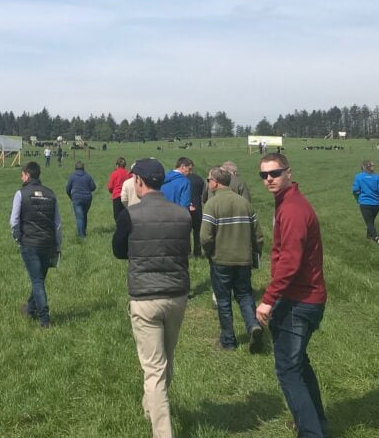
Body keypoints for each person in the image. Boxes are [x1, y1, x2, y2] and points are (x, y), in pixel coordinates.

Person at [111, 158, 190, 438]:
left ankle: (162, 432)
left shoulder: (128, 215)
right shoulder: (183, 215)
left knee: (154, 369)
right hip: (177, 295)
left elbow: (119, 251)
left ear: (139, 182)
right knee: (166, 360)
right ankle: (151, 407)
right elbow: (185, 251)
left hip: (145, 297)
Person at [255, 153, 328, 438]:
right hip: (303, 296)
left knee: (288, 370)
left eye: (274, 173)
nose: (269, 179)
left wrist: (268, 299)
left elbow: (290, 261)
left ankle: (311, 432)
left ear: (288, 171)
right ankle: (317, 424)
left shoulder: (293, 209)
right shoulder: (286, 203)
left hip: (300, 300)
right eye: (264, 175)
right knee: (298, 365)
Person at [201, 167, 264, 353]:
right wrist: (255, 255)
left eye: (208, 180)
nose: (208, 183)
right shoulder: (245, 203)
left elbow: (205, 237)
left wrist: (209, 252)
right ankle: (253, 325)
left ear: (215, 182)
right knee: (245, 295)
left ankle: (228, 340)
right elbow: (258, 236)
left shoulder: (212, 204)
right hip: (243, 260)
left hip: (221, 260)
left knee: (223, 300)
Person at [10, 161, 61, 328]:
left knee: (37, 280)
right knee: (39, 278)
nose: (21, 177)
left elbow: (14, 220)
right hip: (48, 243)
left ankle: (44, 318)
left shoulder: (21, 193)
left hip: (29, 243)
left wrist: (17, 237)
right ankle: (30, 309)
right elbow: (57, 223)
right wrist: (58, 244)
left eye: (22, 174)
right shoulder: (51, 194)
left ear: (27, 175)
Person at [352, 161, 379, 245]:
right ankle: (369, 236)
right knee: (371, 220)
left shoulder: (358, 177)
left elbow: (355, 189)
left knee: (369, 222)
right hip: (376, 204)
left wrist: (360, 194)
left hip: (365, 203)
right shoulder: (377, 177)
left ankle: (376, 237)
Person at [65, 161, 96, 238]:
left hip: (77, 198)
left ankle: (81, 236)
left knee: (79, 217)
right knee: (84, 214)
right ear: (83, 168)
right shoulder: (88, 176)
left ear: (75, 168)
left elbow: (68, 189)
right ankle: (83, 231)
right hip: (87, 198)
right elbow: (93, 187)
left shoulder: (72, 176)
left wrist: (71, 196)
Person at [108, 157, 131, 222]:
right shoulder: (128, 174)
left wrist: (112, 191)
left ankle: (120, 229)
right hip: (126, 196)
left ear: (117, 165)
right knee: (126, 215)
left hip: (117, 196)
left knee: (117, 216)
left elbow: (110, 187)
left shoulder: (114, 174)